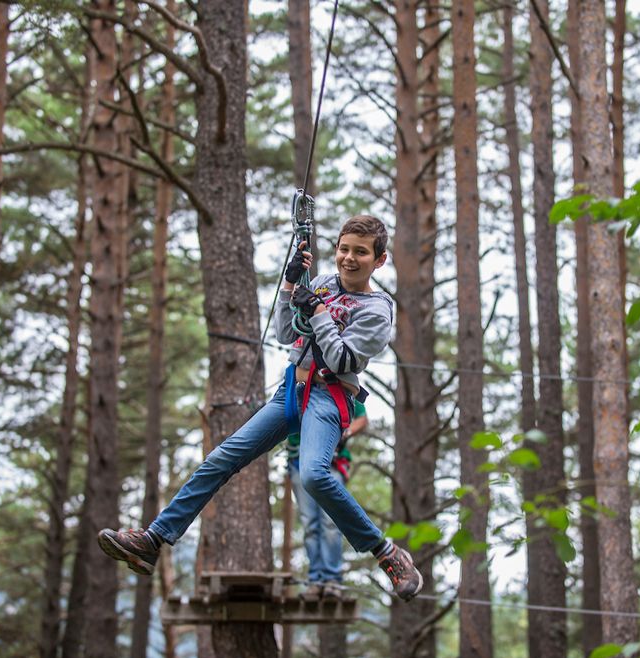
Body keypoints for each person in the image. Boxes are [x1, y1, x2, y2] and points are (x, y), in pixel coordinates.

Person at [97, 215, 423, 602]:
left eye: (361, 253)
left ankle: (386, 553)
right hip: (291, 391)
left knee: (315, 476)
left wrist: (318, 314)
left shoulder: (376, 311)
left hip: (327, 397)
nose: (349, 258)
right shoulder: (320, 283)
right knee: (221, 458)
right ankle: (154, 539)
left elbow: (341, 360)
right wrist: (289, 286)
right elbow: (286, 333)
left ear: (379, 260)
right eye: (344, 249)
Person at [288, 403, 367, 600]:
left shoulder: (334, 384)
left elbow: (362, 418)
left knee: (331, 522)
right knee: (309, 524)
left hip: (331, 459)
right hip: (298, 459)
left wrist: (344, 433)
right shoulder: (294, 389)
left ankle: (332, 580)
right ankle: (316, 581)